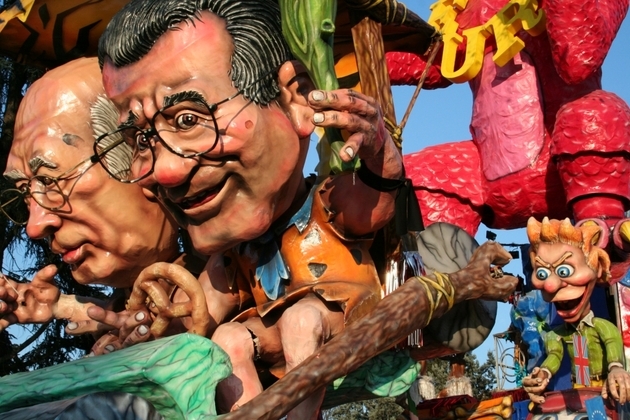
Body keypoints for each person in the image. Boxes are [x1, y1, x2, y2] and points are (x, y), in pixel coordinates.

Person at [94, 0, 516, 417]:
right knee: (228, 339)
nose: (165, 171)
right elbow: (200, 316)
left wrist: (379, 149)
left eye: (189, 119)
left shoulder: (323, 204)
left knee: (302, 322)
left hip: (342, 313)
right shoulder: (232, 254)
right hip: (271, 330)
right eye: (141, 140)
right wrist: (142, 331)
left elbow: (374, 202)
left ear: (295, 99)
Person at [0, 57, 203, 344]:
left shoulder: (248, 267)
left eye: (50, 180)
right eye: (25, 194)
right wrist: (62, 306)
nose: (35, 227)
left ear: (140, 155)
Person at [523, 217, 630, 404]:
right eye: (542, 273)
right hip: (578, 391)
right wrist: (543, 373)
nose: (550, 285)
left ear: (596, 268)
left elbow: (612, 342)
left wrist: (616, 368)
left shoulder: (602, 327)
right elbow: (555, 355)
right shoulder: (556, 334)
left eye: (564, 271)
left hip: (603, 389)